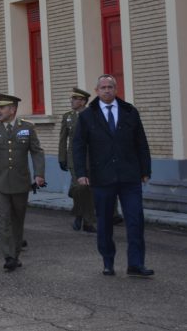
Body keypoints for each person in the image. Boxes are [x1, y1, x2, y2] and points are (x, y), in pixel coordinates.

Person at [73, 74, 153, 277]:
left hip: (129, 176)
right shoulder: (87, 115)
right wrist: (81, 173)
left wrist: (145, 170)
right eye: (103, 87)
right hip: (102, 178)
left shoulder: (129, 111)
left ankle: (135, 264)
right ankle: (108, 261)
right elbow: (79, 147)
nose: (107, 90)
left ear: (116, 89)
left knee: (135, 220)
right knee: (105, 222)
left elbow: (141, 143)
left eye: (110, 87)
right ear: (97, 90)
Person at [0, 94, 45, 272]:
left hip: (20, 181)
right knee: (3, 218)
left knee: (17, 219)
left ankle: (15, 253)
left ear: (12, 109)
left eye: (1, 107)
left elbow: (36, 152)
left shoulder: (27, 127)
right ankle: (8, 256)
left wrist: (39, 174)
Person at [57, 87, 96, 233]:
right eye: (72, 98)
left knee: (89, 189)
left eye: (75, 99)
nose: (71, 101)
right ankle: (83, 218)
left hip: (90, 158)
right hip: (73, 158)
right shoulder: (68, 117)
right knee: (79, 187)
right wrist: (62, 157)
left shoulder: (92, 115)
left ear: (83, 101)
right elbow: (63, 139)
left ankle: (84, 220)